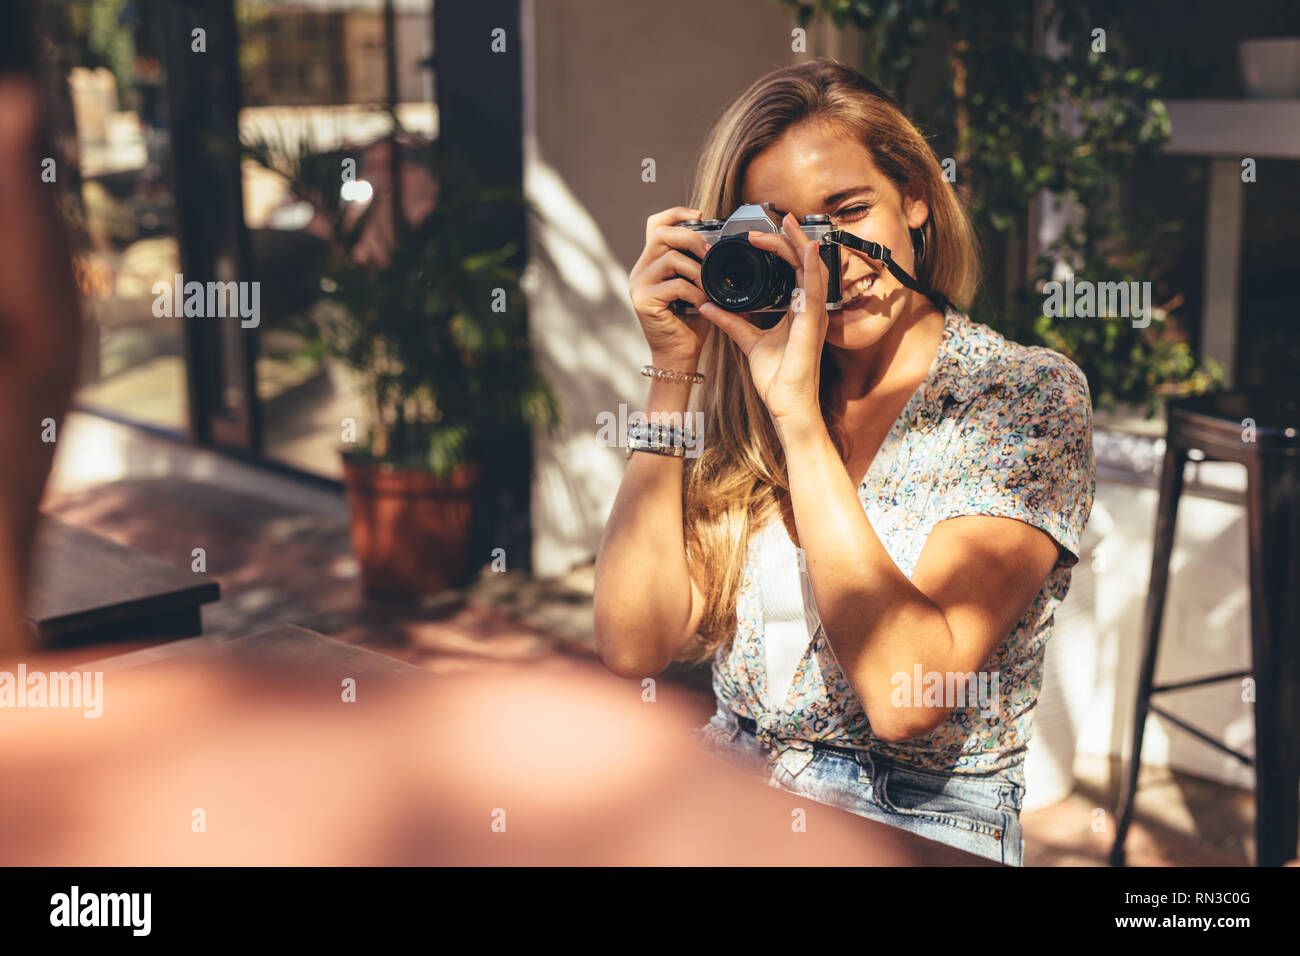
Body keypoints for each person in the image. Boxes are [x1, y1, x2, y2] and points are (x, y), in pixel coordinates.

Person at [594, 58, 1096, 866]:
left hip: (912, 826)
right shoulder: (755, 389)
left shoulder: (1020, 397)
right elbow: (632, 643)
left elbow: (907, 696)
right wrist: (673, 372)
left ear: (915, 199)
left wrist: (799, 422)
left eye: (849, 210)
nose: (831, 258)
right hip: (727, 793)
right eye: (789, 233)